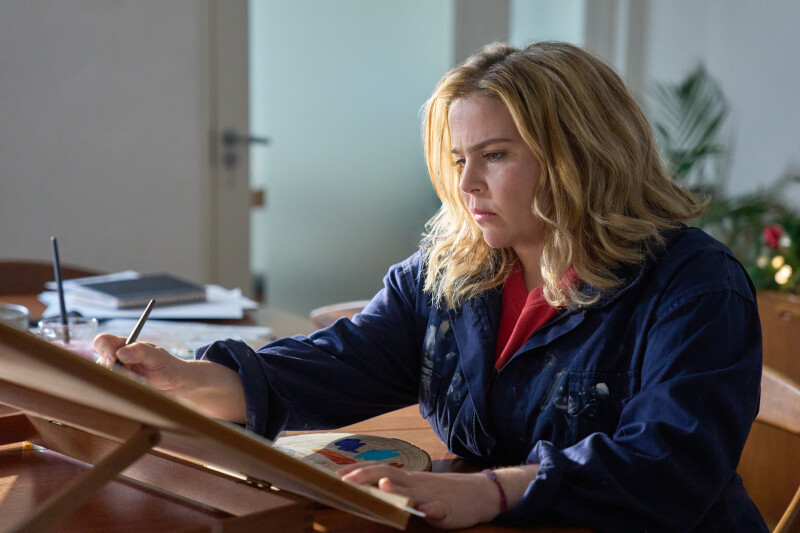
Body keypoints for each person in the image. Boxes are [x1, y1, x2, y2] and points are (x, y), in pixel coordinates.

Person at [94, 41, 767, 532]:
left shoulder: (694, 284)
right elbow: (347, 360)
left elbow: (668, 465)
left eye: (495, 155)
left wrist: (492, 491)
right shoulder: (455, 268)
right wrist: (190, 381)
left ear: (579, 156)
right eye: (458, 159)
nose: (466, 183)